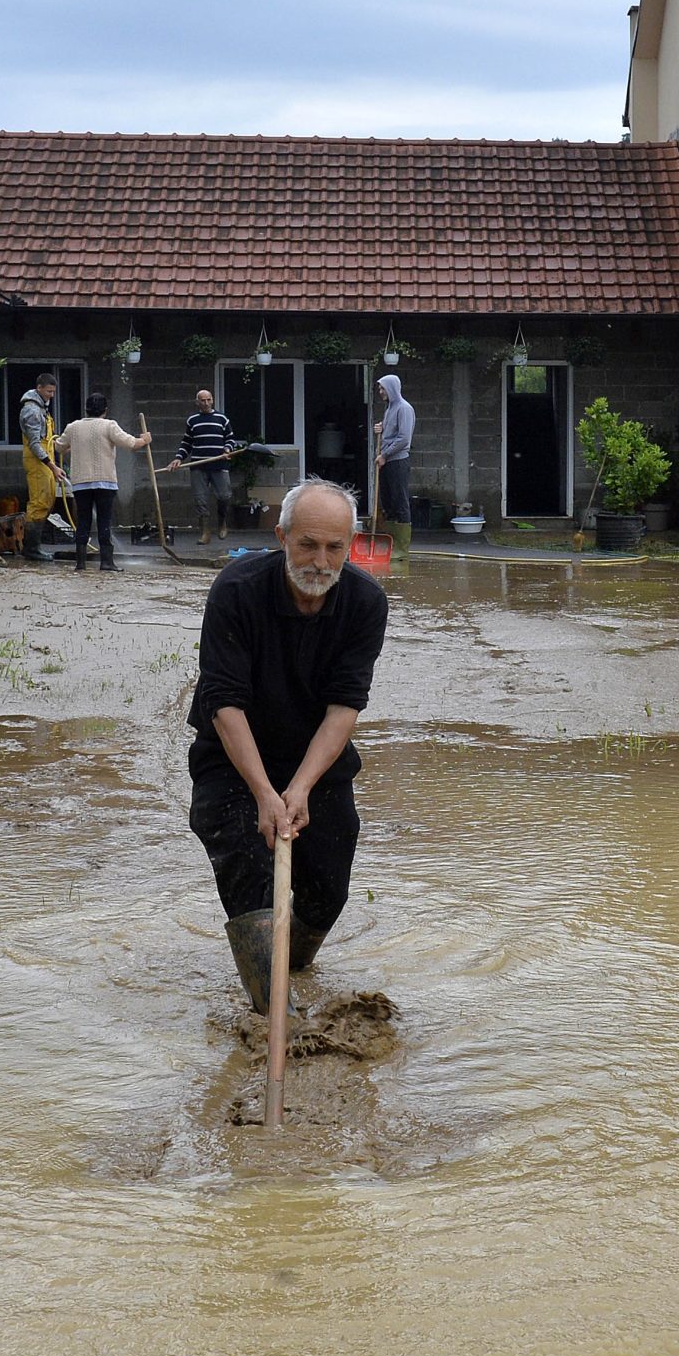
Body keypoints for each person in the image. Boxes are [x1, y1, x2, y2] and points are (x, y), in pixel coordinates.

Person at [186, 480, 387, 1011]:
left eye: (334, 548)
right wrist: (262, 793)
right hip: (233, 758)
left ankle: (290, 966)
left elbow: (345, 706)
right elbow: (223, 702)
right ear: (281, 538)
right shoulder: (236, 591)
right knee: (249, 875)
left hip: (315, 761)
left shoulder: (366, 602)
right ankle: (274, 1012)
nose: (321, 562)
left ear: (350, 544)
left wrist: (297, 789)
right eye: (307, 545)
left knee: (328, 888)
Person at [58, 391, 149, 572]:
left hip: (80, 483)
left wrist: (72, 446)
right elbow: (131, 443)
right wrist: (144, 439)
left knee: (83, 521)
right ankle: (106, 562)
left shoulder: (73, 427)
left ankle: (80, 564)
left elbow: (59, 446)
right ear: (105, 410)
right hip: (105, 483)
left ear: (86, 409)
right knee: (104, 521)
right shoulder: (109, 426)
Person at [173, 388, 238, 545]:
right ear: (197, 402)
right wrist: (178, 458)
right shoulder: (192, 420)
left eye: (209, 399)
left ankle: (222, 522)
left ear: (212, 400)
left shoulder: (222, 419)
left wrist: (227, 449)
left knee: (224, 496)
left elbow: (230, 439)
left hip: (219, 463)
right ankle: (205, 532)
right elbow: (187, 442)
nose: (206, 403)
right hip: (199, 465)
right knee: (200, 500)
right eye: (203, 400)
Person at [17, 373, 70, 560]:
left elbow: (48, 440)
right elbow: (34, 443)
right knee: (38, 503)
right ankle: (31, 549)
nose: (52, 395)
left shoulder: (42, 408)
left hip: (46, 462)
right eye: (49, 391)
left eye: (54, 392)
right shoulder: (32, 411)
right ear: (39, 388)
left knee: (47, 501)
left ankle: (34, 547)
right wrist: (52, 466)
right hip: (37, 462)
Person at [373, 373, 415, 559]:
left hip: (397, 461)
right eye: (380, 388)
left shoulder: (404, 409)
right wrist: (382, 428)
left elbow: (404, 439)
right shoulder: (390, 408)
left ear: (391, 388)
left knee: (399, 502)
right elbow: (392, 432)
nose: (380, 392)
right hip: (386, 461)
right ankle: (390, 544)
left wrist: (385, 455)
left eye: (383, 388)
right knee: (388, 502)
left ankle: (401, 548)